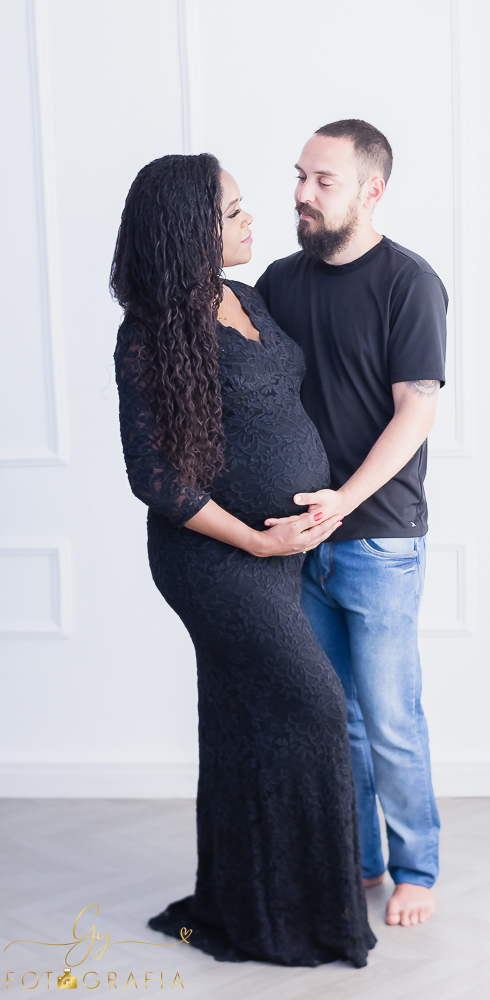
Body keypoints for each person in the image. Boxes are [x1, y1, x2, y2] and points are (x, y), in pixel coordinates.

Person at [111, 153, 376, 967]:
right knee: (315, 708)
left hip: (278, 556)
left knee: (245, 721)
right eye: (232, 213)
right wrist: (259, 538)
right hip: (216, 561)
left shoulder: (249, 298)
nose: (250, 221)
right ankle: (311, 913)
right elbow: (153, 477)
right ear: (191, 232)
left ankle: (255, 905)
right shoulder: (149, 334)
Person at [256, 120, 447, 928]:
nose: (301, 193)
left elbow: (417, 411)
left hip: (378, 538)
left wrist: (343, 498)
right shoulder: (274, 280)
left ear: (371, 190)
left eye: (322, 180)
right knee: (336, 718)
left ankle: (416, 868)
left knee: (392, 717)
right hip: (300, 541)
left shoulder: (410, 282)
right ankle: (359, 860)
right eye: (299, 175)